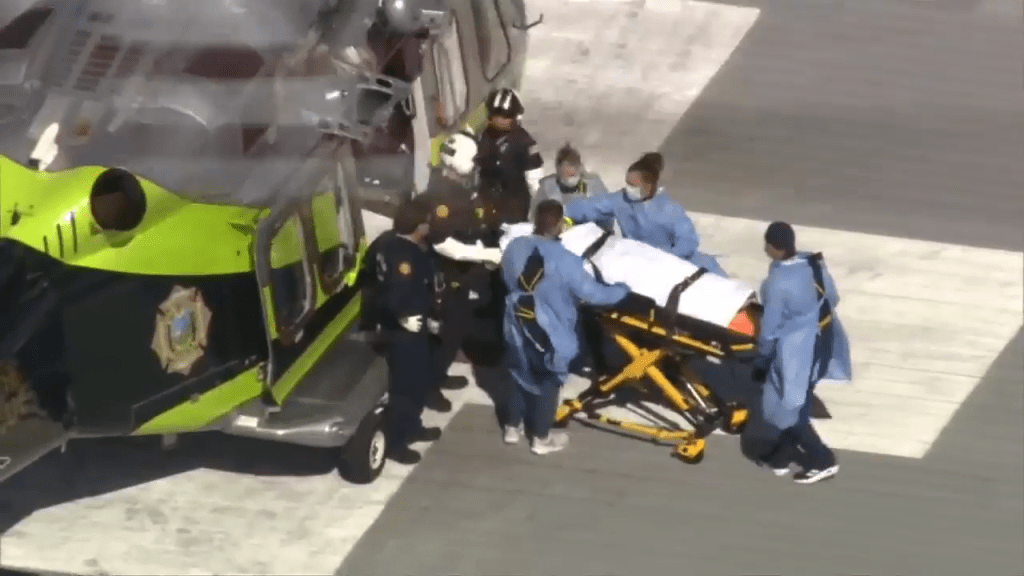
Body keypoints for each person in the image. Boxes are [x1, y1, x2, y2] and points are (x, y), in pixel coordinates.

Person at [500, 200, 633, 454]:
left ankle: (511, 427)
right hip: (548, 330)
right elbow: (594, 294)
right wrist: (623, 290)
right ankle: (541, 438)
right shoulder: (566, 261)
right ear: (560, 225)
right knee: (549, 381)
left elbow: (506, 277)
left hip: (515, 321)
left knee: (520, 373)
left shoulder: (515, 247)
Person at [752, 221, 852, 484]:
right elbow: (833, 298)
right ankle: (782, 456)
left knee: (790, 408)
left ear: (773, 248)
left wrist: (762, 358)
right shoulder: (812, 262)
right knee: (795, 400)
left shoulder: (776, 283)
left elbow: (770, 329)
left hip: (797, 351)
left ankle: (823, 460)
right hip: (824, 339)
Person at [417, 131, 503, 412]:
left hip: (463, 272)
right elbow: (443, 243)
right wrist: (484, 254)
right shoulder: (443, 198)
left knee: (457, 330)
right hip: (450, 277)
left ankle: (438, 374)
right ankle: (428, 387)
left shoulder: (455, 189)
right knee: (449, 334)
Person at [562, 152, 728, 277]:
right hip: (636, 260)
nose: (628, 189)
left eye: (634, 186)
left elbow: (688, 240)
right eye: (627, 183)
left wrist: (666, 258)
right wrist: (561, 214)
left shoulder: (669, 209)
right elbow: (588, 207)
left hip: (670, 262)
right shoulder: (621, 200)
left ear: (649, 186)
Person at [371, 199, 444, 465]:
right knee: (406, 387)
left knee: (419, 380)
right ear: (417, 226)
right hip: (405, 331)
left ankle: (413, 426)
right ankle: (398, 441)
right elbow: (398, 293)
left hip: (415, 325)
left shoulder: (390, 244)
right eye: (426, 222)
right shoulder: (405, 255)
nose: (428, 226)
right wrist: (403, 317)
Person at [474, 87, 545, 224]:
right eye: (496, 115)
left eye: (506, 116)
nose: (500, 120)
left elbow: (535, 180)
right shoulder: (484, 136)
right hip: (486, 204)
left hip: (514, 208)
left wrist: (537, 208)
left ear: (515, 117)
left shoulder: (524, 142)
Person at [530, 142, 609, 219]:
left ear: (579, 167)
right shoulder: (549, 187)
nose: (571, 171)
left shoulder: (589, 183)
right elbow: (535, 215)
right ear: (558, 168)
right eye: (567, 167)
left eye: (574, 166)